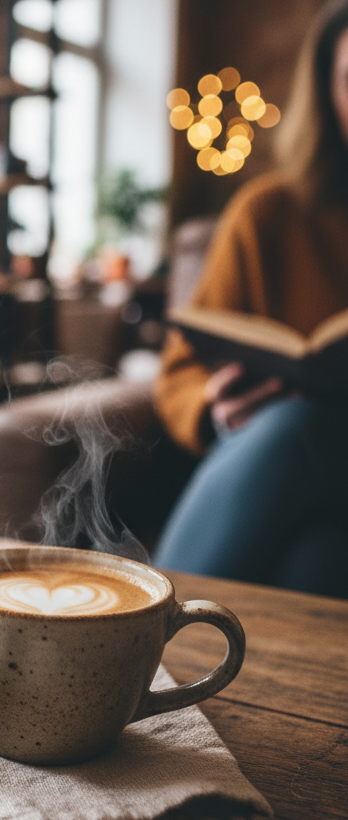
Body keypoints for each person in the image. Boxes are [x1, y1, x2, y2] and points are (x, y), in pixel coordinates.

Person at [152, 0, 348, 598]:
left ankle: (145, 635)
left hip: (300, 445)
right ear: (327, 93)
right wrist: (216, 411)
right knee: (316, 561)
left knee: (299, 429)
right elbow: (178, 374)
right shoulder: (268, 215)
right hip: (296, 471)